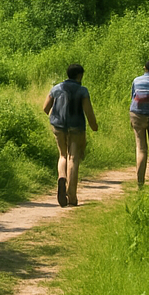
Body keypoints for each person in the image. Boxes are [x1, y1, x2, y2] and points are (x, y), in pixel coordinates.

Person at [43, 63, 99, 207]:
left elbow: (45, 108)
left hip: (58, 126)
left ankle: (62, 177)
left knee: (62, 155)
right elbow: (88, 112)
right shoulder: (82, 91)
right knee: (73, 157)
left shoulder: (56, 88)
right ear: (79, 75)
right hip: (76, 127)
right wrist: (94, 126)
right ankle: (72, 196)